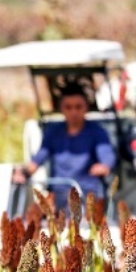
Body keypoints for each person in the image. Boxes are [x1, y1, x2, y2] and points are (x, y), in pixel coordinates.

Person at [12, 85, 117, 214]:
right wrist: (23, 173)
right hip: (59, 193)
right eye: (68, 107)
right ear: (62, 109)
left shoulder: (97, 132)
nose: (74, 112)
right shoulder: (53, 132)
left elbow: (107, 156)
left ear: (86, 108)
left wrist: (104, 166)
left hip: (86, 193)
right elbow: (39, 158)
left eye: (78, 107)